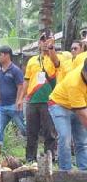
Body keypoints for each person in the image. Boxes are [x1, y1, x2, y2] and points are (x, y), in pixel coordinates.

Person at [21, 31, 59, 163]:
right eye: (42, 40)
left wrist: (51, 48)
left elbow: (56, 63)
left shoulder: (55, 57)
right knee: (31, 132)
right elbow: (26, 80)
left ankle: (50, 158)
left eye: (48, 40)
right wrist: (21, 98)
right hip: (32, 101)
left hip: (49, 101)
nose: (45, 43)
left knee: (50, 132)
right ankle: (30, 159)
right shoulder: (32, 60)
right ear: (39, 43)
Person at [0, 46, 26, 158]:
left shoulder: (15, 70)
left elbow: (20, 86)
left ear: (7, 55)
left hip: (13, 105)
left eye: (0, 54)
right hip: (1, 106)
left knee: (23, 128)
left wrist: (19, 100)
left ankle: (31, 145)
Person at [48, 59, 87, 170]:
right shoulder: (75, 83)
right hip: (59, 104)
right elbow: (82, 114)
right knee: (65, 138)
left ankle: (84, 172)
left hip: (80, 105)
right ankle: (65, 173)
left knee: (82, 141)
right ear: (84, 72)